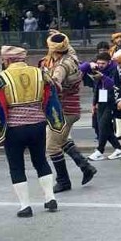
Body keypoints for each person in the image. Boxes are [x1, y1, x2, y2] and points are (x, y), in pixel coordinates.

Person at [0, 45, 66, 217]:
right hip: (38, 126)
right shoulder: (40, 74)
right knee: (41, 161)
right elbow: (55, 92)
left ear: (7, 60)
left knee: (16, 166)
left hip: (14, 129)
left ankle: (25, 206)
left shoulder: (0, 79)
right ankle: (50, 198)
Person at [41, 31, 96, 192]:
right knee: (63, 140)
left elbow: (56, 84)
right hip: (72, 108)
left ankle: (63, 181)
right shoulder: (71, 57)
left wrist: (44, 78)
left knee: (52, 146)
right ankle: (86, 167)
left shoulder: (61, 66)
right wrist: (60, 35)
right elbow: (68, 47)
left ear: (53, 50)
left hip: (63, 110)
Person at [81, 51, 121, 160]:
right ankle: (119, 148)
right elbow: (80, 68)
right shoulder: (96, 68)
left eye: (103, 63)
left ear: (109, 62)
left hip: (112, 101)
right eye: (99, 63)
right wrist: (89, 64)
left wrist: (102, 76)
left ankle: (100, 150)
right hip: (101, 101)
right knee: (102, 127)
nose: (100, 66)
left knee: (103, 125)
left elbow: (114, 85)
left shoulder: (114, 69)